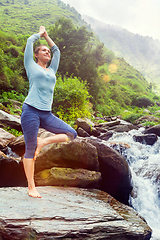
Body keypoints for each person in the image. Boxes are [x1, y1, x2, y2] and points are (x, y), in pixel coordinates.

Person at [21, 26, 77, 198]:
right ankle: (31, 187)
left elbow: (57, 51)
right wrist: (39, 34)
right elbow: (30, 41)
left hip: (46, 114)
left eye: (48, 51)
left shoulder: (51, 70)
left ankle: (43, 142)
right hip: (30, 111)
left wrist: (47, 37)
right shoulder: (30, 65)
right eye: (43, 51)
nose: (47, 52)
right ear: (36, 55)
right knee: (30, 150)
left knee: (71, 133)